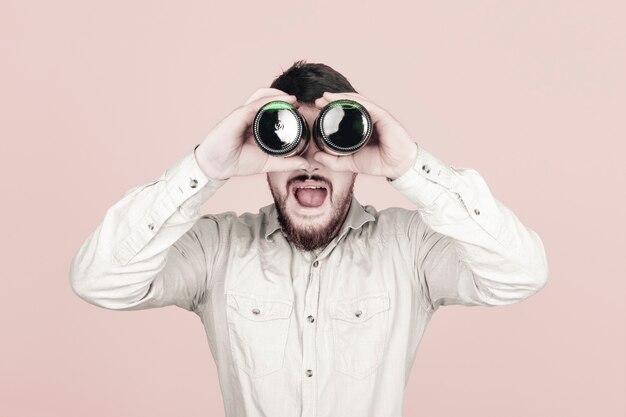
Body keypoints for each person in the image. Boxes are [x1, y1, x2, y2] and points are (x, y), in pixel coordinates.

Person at [69, 60, 549, 417]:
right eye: (288, 138)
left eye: (333, 137)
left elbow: (520, 274)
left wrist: (410, 167)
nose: (311, 162)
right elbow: (100, 281)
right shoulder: (220, 249)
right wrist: (205, 168)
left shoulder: (409, 247)